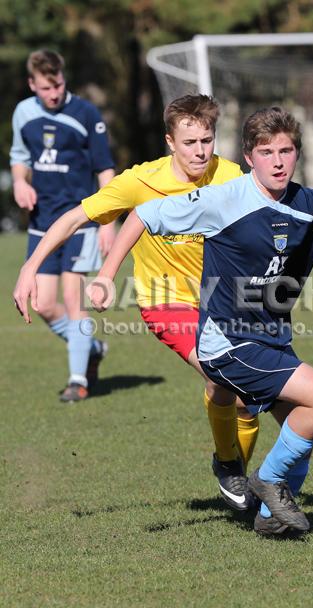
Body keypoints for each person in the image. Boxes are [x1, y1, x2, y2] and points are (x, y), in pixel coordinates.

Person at [86, 106, 313, 537]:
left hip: (270, 341)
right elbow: (143, 216)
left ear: (296, 153)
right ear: (248, 156)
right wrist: (106, 276)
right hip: (226, 342)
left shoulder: (311, 205)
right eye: (266, 152)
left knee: (302, 429)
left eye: (286, 150)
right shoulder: (223, 200)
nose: (278, 161)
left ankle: (268, 520)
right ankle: (265, 481)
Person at [13, 94, 260, 512]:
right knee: (222, 373)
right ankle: (230, 469)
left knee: (248, 400)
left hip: (224, 302)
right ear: (170, 142)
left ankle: (234, 476)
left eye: (207, 140)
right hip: (166, 302)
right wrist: (31, 267)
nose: (200, 151)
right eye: (190, 142)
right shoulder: (140, 182)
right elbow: (75, 218)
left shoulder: (232, 175)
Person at [10, 49, 115, 402]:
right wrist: (20, 181)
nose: (53, 94)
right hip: (42, 222)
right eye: (45, 88)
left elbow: (105, 170)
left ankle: (77, 380)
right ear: (32, 84)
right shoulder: (23, 113)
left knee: (74, 298)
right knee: (40, 303)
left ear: (63, 79)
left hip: (81, 220)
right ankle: (91, 348)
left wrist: (106, 222)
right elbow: (20, 158)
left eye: (57, 85)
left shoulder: (85, 113)